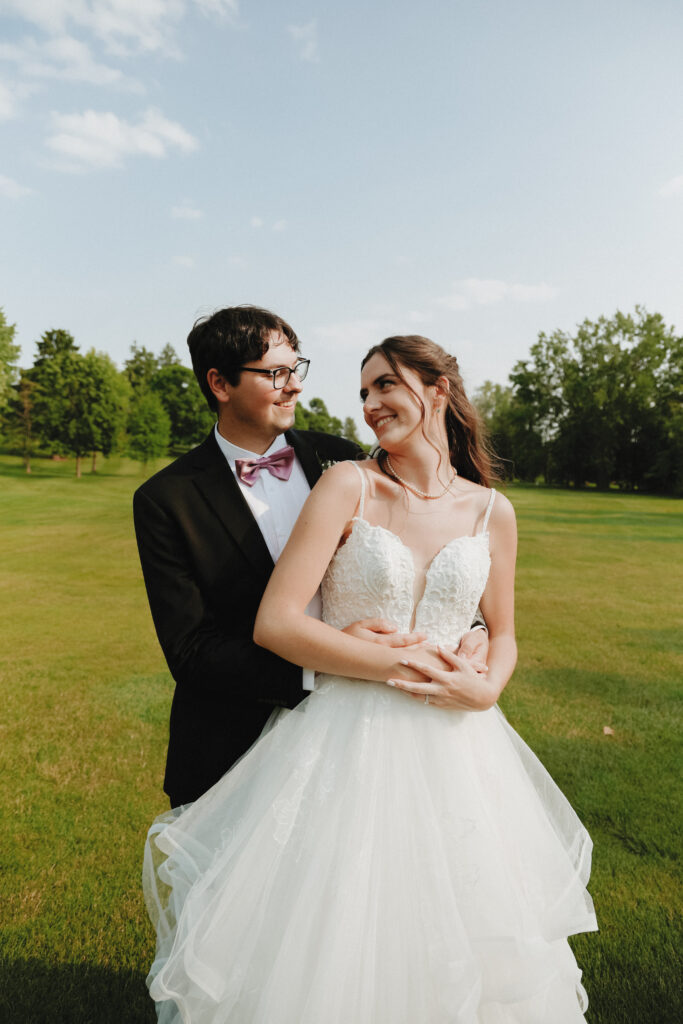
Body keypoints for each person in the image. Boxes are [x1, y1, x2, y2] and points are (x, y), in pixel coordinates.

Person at [143, 334, 597, 1023]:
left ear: (437, 388)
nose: (369, 403)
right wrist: (394, 661)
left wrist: (488, 686)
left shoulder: (490, 511)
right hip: (346, 734)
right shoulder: (347, 481)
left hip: (459, 744)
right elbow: (275, 622)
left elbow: (500, 632)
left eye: (385, 385)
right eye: (362, 392)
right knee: (336, 925)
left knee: (464, 917)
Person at [133, 306, 487, 807]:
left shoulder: (342, 459)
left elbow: (429, 542)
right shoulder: (167, 499)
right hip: (232, 743)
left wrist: (474, 627)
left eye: (296, 369)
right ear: (220, 383)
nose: (294, 386)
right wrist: (327, 663)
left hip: (365, 740)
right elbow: (190, 652)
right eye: (275, 373)